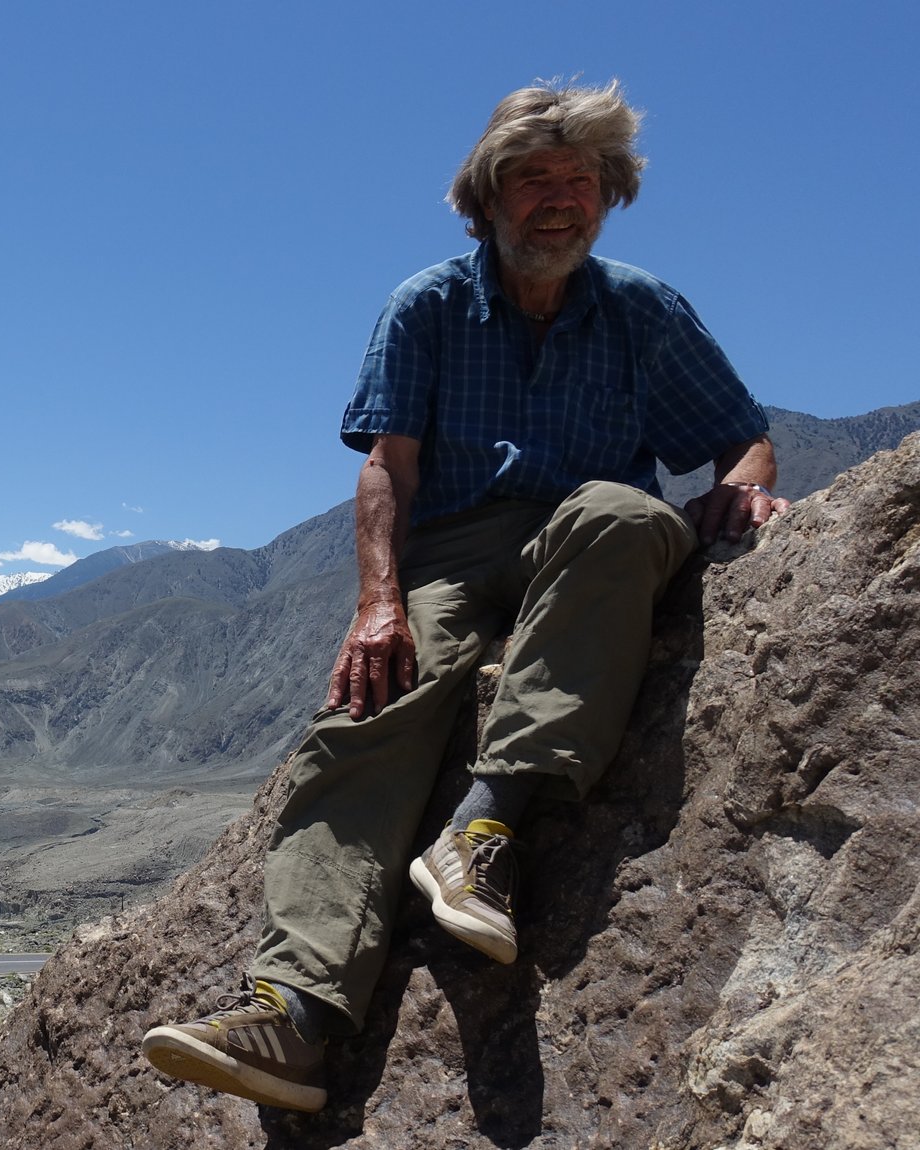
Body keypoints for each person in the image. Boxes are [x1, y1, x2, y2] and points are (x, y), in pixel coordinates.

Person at [139, 80, 786, 1113]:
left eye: (580, 181)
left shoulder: (642, 310)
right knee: (368, 713)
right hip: (447, 547)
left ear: (608, 196)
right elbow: (385, 466)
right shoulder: (428, 304)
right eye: (532, 181)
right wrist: (377, 603)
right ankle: (293, 1017)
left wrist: (742, 485)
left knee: (624, 516)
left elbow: (737, 433)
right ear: (483, 198)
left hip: (583, 533)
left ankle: (481, 830)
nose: (558, 202)